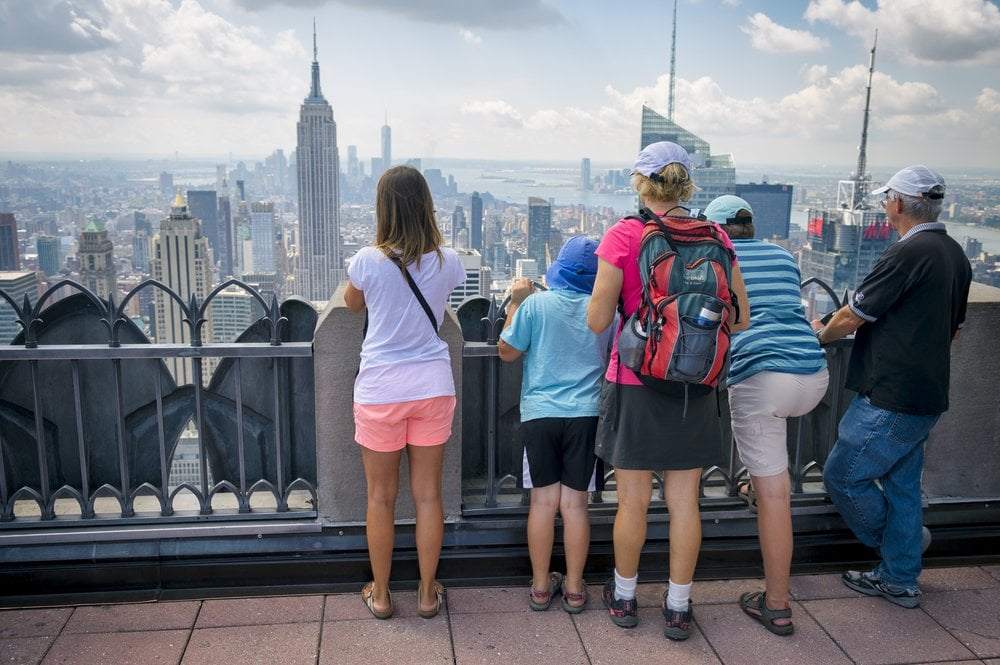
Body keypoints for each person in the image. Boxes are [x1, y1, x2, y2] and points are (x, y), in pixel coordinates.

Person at [586, 142, 750, 640]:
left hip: (636, 381)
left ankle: (625, 595)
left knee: (632, 502)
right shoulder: (716, 234)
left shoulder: (625, 234)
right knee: (685, 503)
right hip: (695, 384)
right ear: (686, 184)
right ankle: (678, 606)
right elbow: (740, 318)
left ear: (640, 182)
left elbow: (596, 318)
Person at [813, 165, 971, 609]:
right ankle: (900, 579)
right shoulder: (955, 254)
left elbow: (852, 316)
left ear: (897, 204)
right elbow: (954, 330)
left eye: (887, 199)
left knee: (842, 475)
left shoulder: (907, 253)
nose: (885, 205)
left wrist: (817, 335)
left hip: (890, 394)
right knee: (901, 485)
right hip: (927, 392)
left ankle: (902, 552)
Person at [344, 165, 466, 620]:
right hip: (432, 385)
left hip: (380, 390)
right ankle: (428, 594)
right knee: (428, 495)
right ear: (425, 206)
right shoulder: (446, 261)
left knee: (380, 497)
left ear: (383, 209)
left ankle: (380, 594)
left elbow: (353, 303)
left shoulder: (366, 260)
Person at [705, 195, 828, 636]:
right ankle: (755, 482)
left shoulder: (718, 259)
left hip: (762, 376)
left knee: (777, 496)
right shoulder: (782, 255)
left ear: (716, 229)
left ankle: (776, 604)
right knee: (770, 467)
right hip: (813, 374)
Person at [497, 236, 611, 614]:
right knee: (576, 504)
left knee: (543, 503)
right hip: (587, 414)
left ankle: (541, 586)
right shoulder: (605, 311)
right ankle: (576, 589)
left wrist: (515, 302)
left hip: (541, 414)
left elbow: (508, 352)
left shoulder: (536, 305)